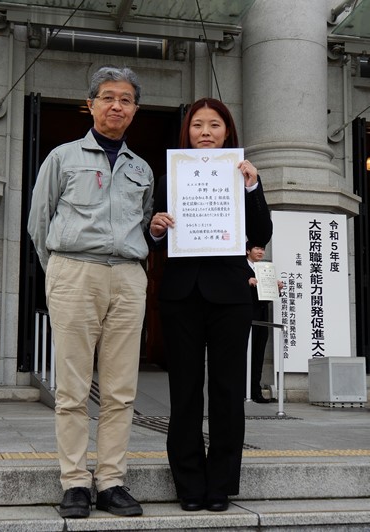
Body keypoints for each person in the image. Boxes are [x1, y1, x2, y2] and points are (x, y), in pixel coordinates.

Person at [28, 66, 154, 519]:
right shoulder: (62, 157)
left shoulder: (142, 169)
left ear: (135, 109)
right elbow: (39, 222)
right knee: (73, 389)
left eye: (125, 99)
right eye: (107, 97)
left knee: (121, 390)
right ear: (92, 104)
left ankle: (112, 481)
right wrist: (59, 273)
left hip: (127, 276)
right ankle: (75, 481)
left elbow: (143, 224)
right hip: (74, 272)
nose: (116, 105)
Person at [147, 98, 273, 512]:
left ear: (227, 132)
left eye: (214, 125)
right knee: (184, 392)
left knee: (226, 390)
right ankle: (188, 484)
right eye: (197, 124)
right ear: (187, 132)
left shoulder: (244, 177)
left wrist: (253, 187)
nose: (205, 131)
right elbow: (152, 237)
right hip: (181, 295)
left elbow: (260, 233)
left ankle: (219, 484)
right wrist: (157, 229)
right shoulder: (169, 178)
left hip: (231, 297)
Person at [246, 242, 283, 403]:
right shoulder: (241, 269)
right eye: (257, 249)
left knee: (258, 353)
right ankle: (242, 391)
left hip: (262, 318)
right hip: (245, 317)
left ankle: (255, 391)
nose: (261, 252)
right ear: (248, 251)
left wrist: (276, 289)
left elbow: (265, 297)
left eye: (262, 249)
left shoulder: (264, 270)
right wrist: (246, 284)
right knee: (244, 355)